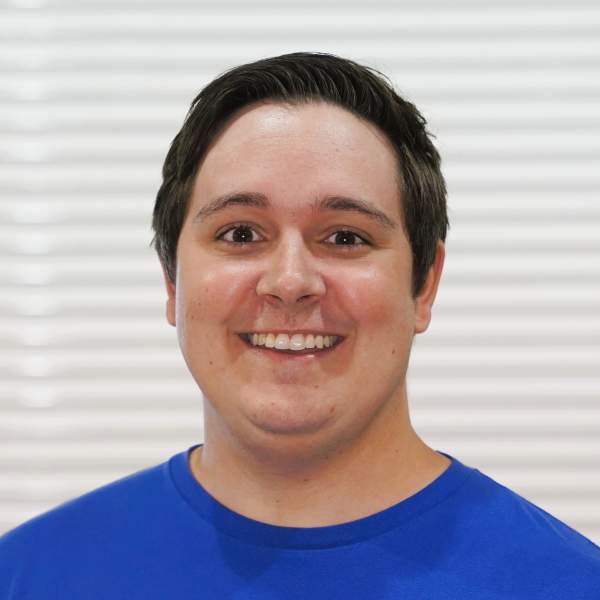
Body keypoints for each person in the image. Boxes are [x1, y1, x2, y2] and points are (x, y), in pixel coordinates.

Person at [1, 51, 598, 599]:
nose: (290, 281)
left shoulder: (568, 583)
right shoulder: (28, 575)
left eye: (345, 237)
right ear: (171, 282)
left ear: (425, 284)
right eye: (240, 233)